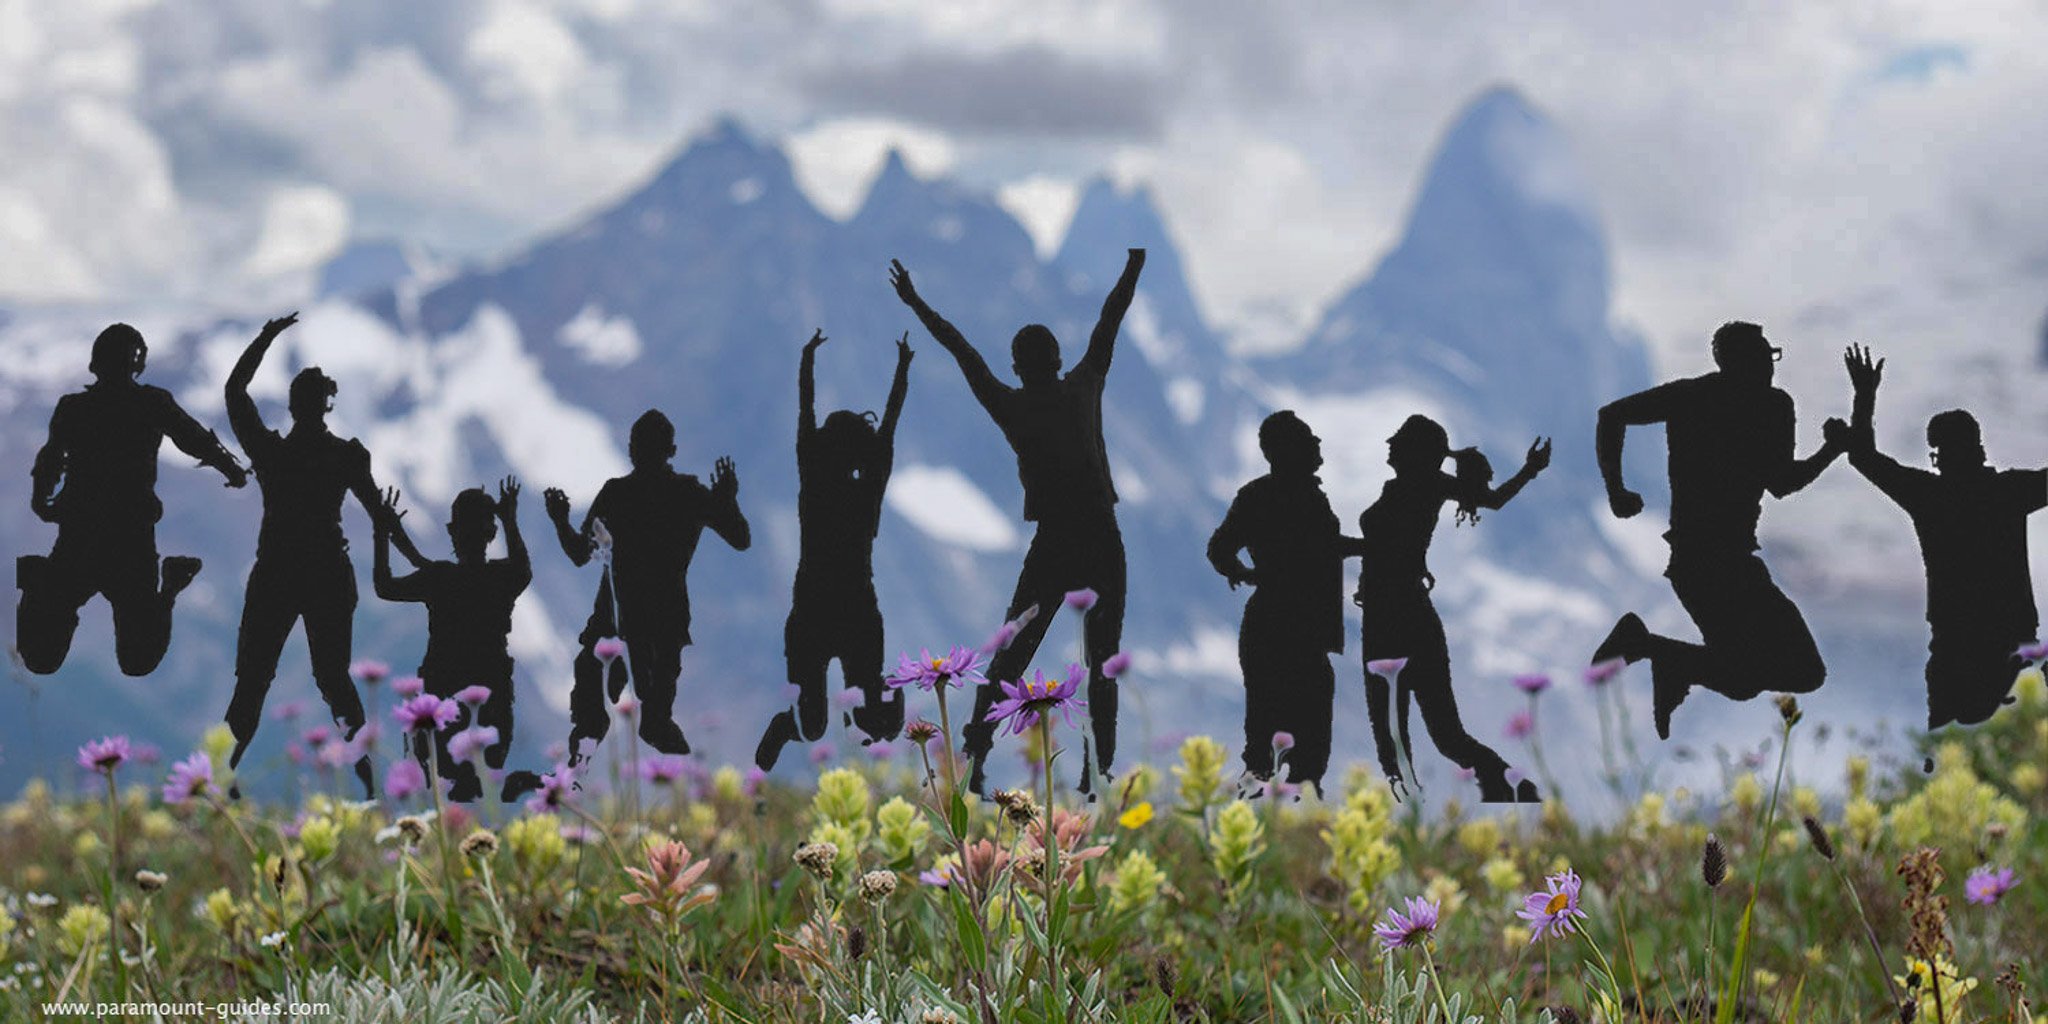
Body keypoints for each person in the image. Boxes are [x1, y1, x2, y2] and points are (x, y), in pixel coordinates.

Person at [890, 248, 1145, 795]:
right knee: (1102, 657)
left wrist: (916, 302)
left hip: (1052, 545)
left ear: (1016, 367)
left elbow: (962, 353)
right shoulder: (1084, 387)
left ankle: (975, 761)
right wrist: (1133, 265)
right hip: (1101, 537)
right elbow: (1111, 317)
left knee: (1011, 650)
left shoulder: (1011, 406)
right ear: (1058, 357)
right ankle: (1096, 772)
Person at [1591, 321, 1845, 739]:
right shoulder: (1766, 406)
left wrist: (1616, 490)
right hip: (1719, 566)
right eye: (1764, 356)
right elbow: (1784, 482)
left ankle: (1658, 653)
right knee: (1799, 671)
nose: (1770, 364)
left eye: (1771, 355)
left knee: (1746, 678)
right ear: (1739, 362)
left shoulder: (1695, 397)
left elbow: (1612, 416)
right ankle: (1649, 648)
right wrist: (1832, 449)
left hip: (1704, 565)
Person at [221, 313, 413, 797]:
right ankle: (366, 770)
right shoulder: (347, 455)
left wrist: (264, 336)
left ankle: (226, 769)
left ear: (294, 405)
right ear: (327, 405)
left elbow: (234, 393)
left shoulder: (271, 452)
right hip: (326, 572)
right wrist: (416, 558)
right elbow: (380, 514)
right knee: (330, 676)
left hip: (280, 572)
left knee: (255, 673)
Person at [1829, 344, 2045, 729]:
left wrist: (1864, 396)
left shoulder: (1931, 496)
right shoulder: (2007, 492)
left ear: (1941, 457)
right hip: (2010, 646)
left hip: (1959, 647)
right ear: (1978, 450)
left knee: (1947, 753)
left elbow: (1863, 457)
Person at [17, 323, 248, 676]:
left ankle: (163, 587)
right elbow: (194, 439)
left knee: (76, 658)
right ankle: (165, 587)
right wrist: (229, 468)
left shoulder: (81, 407)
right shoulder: (140, 404)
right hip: (106, 537)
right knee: (80, 658)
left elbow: (50, 460)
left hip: (111, 537)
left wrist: (42, 500)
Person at [1356, 415, 1549, 803]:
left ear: (1415, 453)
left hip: (1393, 615)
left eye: (1399, 441)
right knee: (1433, 733)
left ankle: (1502, 795)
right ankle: (1514, 793)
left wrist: (1529, 471)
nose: (1389, 444)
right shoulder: (1422, 485)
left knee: (1399, 726)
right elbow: (1490, 500)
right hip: (1396, 611)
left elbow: (1490, 501)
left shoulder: (1426, 485)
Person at [545, 411, 750, 769]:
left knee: (598, 714)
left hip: (619, 619)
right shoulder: (687, 492)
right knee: (650, 722)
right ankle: (688, 780)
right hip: (658, 623)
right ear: (670, 449)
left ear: (633, 449)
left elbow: (580, 553)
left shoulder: (618, 493)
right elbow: (740, 538)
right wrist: (727, 500)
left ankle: (581, 773)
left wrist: (560, 520)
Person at [756, 330, 912, 770]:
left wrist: (807, 361)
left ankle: (795, 725)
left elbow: (805, 412)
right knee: (843, 720)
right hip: (845, 609)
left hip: (819, 609)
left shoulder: (814, 478)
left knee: (825, 723)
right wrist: (902, 369)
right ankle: (797, 724)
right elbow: (889, 424)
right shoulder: (865, 490)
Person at [1207, 411, 1363, 796]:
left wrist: (1244, 573)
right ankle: (1264, 822)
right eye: (1307, 438)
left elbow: (1322, 548)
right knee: (1275, 743)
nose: (1317, 444)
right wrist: (1245, 573)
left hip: (1293, 629)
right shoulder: (1262, 496)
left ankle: (1283, 824)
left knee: (1293, 742)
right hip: (1283, 630)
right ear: (1284, 450)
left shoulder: (1289, 496)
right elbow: (1220, 549)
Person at [374, 479, 541, 802]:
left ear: (452, 531)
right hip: (492, 696)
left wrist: (382, 533)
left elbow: (385, 585)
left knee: (442, 782)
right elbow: (523, 567)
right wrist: (510, 518)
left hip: (442, 695)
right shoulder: (502, 577)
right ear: (491, 533)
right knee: (483, 778)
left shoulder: (439, 578)